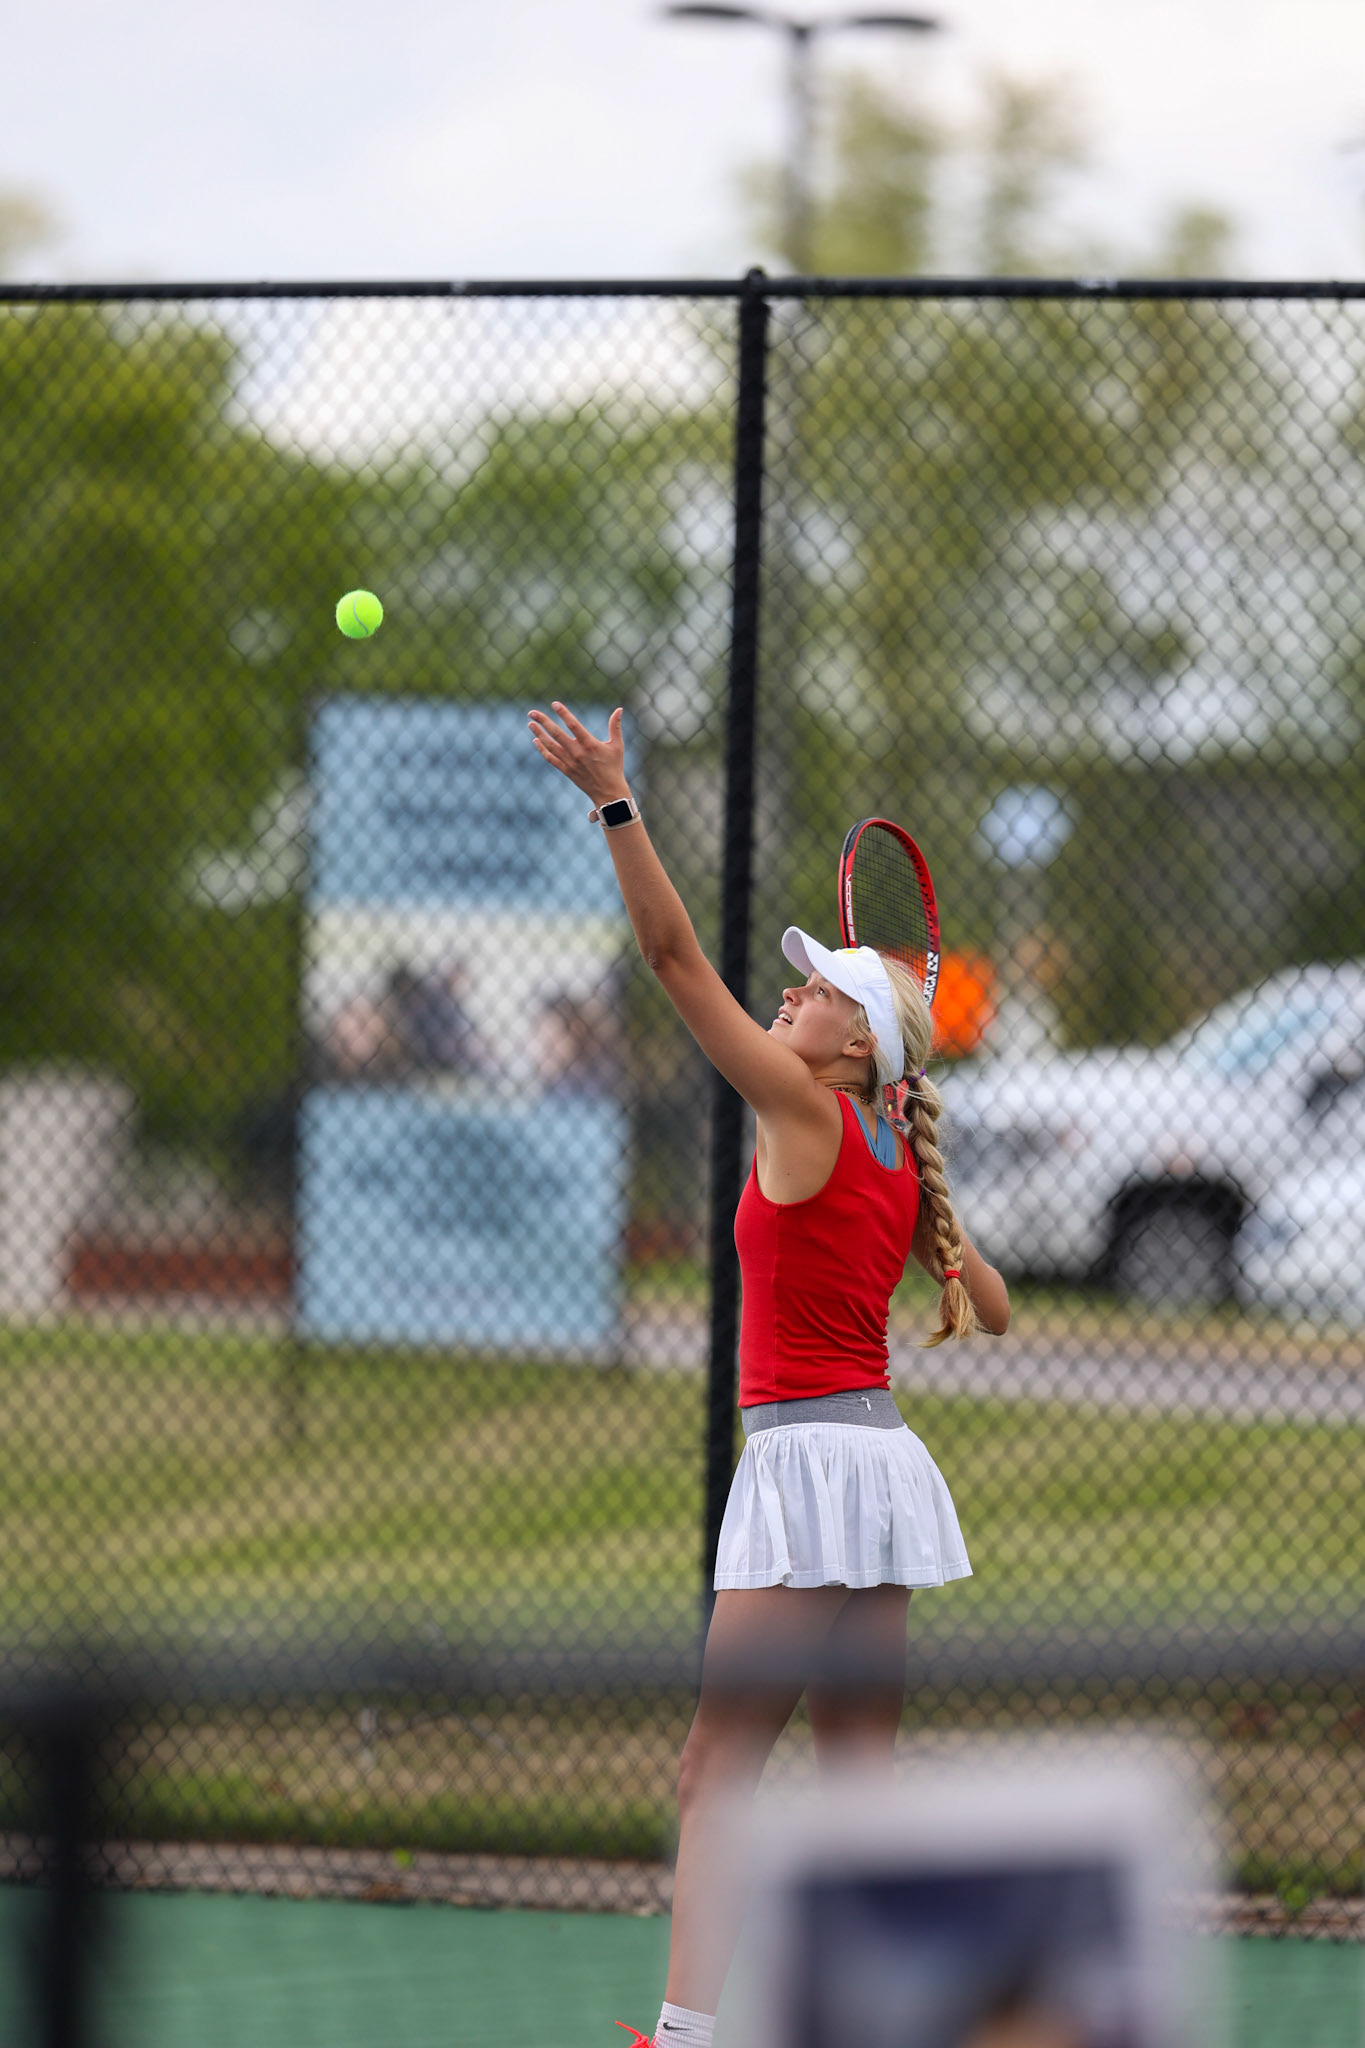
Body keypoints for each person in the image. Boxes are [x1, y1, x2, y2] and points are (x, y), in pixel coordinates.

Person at [527, 702, 1011, 2048]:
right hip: (882, 1469)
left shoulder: (804, 1110)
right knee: (858, 1785)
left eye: (811, 992)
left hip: (807, 1466)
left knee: (713, 1774)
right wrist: (940, 1212)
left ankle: (682, 2044)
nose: (787, 994)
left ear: (853, 1048)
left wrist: (614, 799)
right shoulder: (891, 1157)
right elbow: (997, 1309)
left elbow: (674, 959)